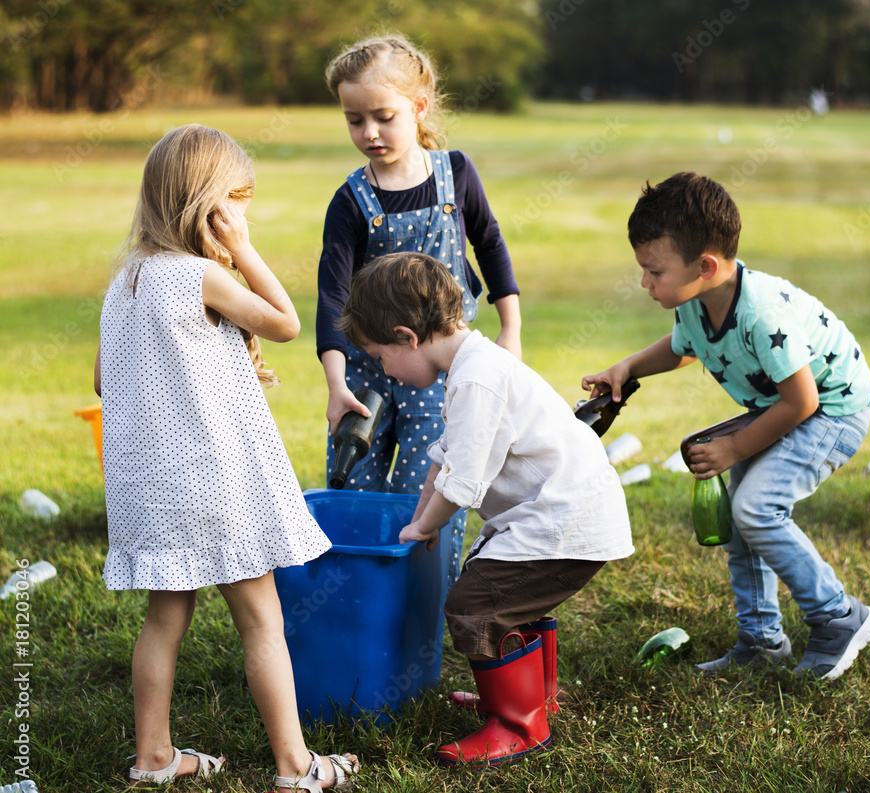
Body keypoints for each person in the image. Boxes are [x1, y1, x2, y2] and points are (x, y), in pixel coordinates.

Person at [95, 124, 358, 791]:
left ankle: (153, 754)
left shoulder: (125, 283)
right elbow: (286, 320)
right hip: (216, 484)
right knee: (262, 617)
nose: (244, 216)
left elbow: (105, 377)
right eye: (238, 203)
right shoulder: (200, 273)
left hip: (153, 489)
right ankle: (297, 766)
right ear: (208, 205)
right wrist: (243, 249)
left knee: (164, 617)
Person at [582, 172, 870, 680]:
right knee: (744, 515)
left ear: (705, 265)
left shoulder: (761, 313)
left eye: (654, 271)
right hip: (782, 406)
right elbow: (683, 347)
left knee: (755, 507)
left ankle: (838, 615)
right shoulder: (700, 301)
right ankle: (762, 639)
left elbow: (802, 400)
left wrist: (734, 448)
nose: (644, 282)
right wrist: (628, 368)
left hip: (833, 408)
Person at [340, 252, 633, 766]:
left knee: (476, 606)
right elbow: (445, 460)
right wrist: (417, 519)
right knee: (513, 600)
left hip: (566, 519)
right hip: (560, 515)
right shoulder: (472, 365)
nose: (384, 370)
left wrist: (424, 527)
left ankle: (517, 726)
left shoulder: (477, 378)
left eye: (381, 356)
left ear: (408, 336)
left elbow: (464, 482)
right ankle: (528, 699)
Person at [317, 34, 523, 588]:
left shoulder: (456, 175)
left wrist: (511, 329)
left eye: (382, 117)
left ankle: (420, 611)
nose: (369, 133)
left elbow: (491, 244)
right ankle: (356, 601)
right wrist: (338, 385)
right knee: (352, 490)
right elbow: (331, 296)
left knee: (424, 496)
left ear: (419, 107)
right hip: (366, 376)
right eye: (354, 120)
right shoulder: (350, 201)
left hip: (441, 380)